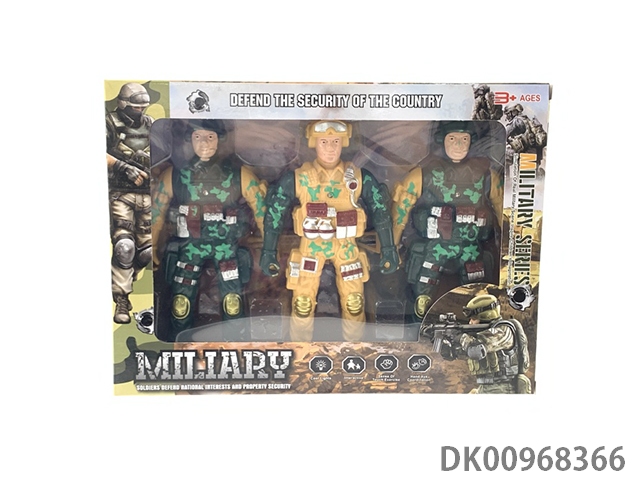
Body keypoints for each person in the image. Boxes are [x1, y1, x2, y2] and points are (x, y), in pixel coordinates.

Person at [259, 120, 399, 341]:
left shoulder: (357, 177)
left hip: (346, 248)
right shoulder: (299, 178)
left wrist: (389, 248)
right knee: (302, 304)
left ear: (343, 142)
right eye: (324, 142)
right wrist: (268, 251)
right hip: (311, 248)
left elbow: (380, 210)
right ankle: (301, 350)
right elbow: (275, 213)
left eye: (335, 142)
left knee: (354, 303)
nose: (331, 148)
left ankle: (354, 350)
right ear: (314, 143)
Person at [151, 119, 267, 340]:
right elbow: (156, 212)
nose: (204, 142)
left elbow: (260, 208)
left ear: (219, 139)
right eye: (197, 137)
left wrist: (269, 247)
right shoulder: (176, 175)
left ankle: (236, 346)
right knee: (181, 303)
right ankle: (180, 346)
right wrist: (152, 247)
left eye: (210, 137)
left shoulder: (238, 174)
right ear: (190, 140)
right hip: (189, 247)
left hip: (226, 247)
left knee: (232, 302)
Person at [391, 121, 503, 321]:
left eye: (464, 139)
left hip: (470, 245)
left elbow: (503, 209)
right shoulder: (423, 174)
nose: (458, 145)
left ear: (471, 141)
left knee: (477, 292)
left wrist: (507, 245)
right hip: (436, 245)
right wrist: (392, 245)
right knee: (423, 290)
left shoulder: (486, 175)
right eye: (452, 138)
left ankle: (477, 326)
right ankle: (419, 321)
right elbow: (402, 208)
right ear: (442, 140)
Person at [106, 83, 154, 324]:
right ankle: (122, 300)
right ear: (124, 104)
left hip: (148, 194)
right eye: (135, 107)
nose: (140, 111)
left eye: (143, 107)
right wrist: (122, 166)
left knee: (149, 252)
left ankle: (123, 274)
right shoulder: (109, 123)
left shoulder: (151, 124)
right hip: (120, 194)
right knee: (124, 247)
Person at [439, 294, 531, 394]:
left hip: (502, 389)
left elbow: (475, 350)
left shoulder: (504, 330)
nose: (470, 322)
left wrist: (459, 336)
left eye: (474, 319)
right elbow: (459, 352)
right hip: (485, 387)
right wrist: (446, 345)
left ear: (486, 316)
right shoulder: (481, 336)